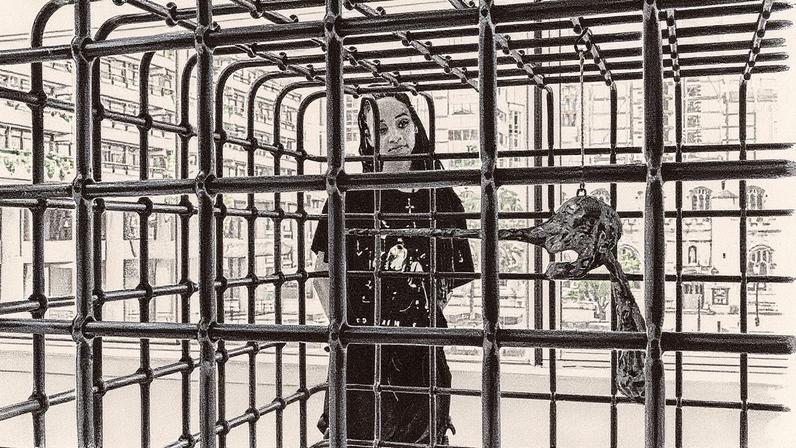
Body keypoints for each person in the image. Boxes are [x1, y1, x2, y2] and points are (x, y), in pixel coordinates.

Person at [311, 93, 475, 445]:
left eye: (402, 123)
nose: (396, 137)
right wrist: (346, 328)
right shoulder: (348, 196)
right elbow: (321, 270)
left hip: (423, 352)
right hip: (360, 353)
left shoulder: (442, 197)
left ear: (416, 125)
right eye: (382, 129)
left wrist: (417, 322)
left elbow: (449, 281)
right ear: (369, 137)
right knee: (355, 438)